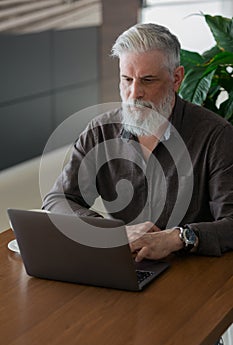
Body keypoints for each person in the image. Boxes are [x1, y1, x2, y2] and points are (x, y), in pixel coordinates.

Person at [42, 23, 233, 262]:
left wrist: (178, 238)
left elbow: (231, 222)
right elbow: (58, 200)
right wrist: (111, 232)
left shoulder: (216, 136)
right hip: (127, 266)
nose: (134, 93)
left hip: (192, 273)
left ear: (176, 79)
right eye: (127, 79)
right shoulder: (100, 131)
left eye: (147, 80)